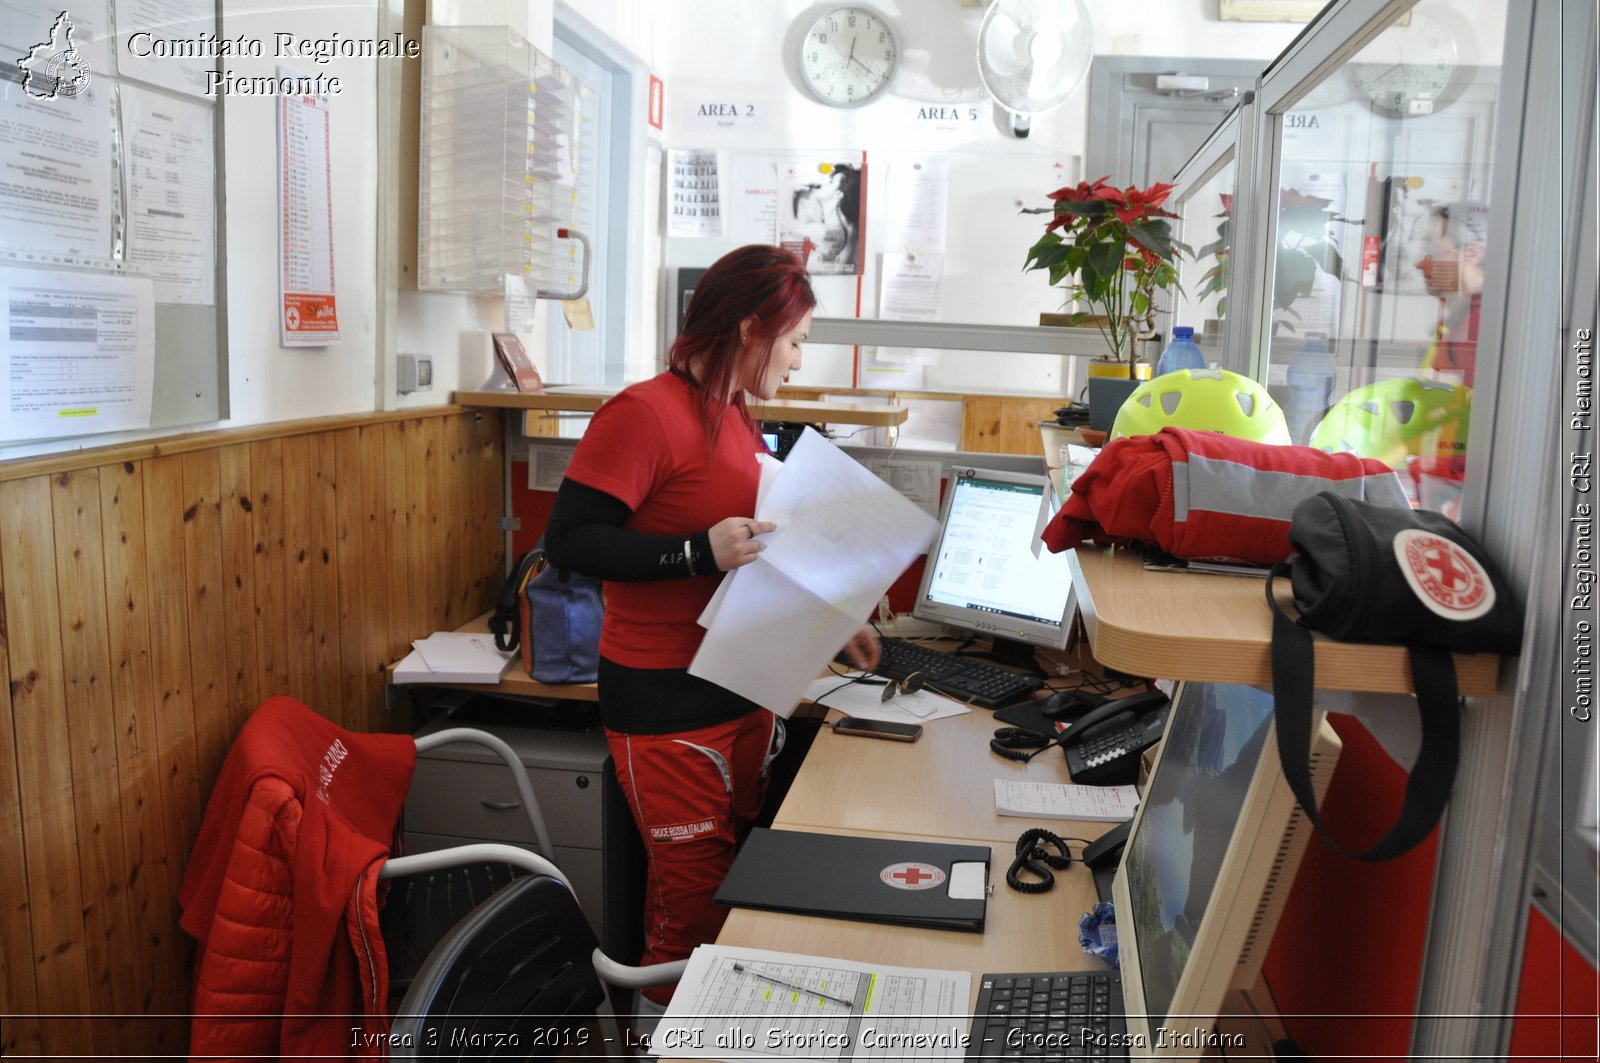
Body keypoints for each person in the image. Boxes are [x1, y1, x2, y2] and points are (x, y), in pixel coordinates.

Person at [542, 243, 881, 1020]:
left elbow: (761, 544)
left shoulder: (732, 415)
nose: (797, 361)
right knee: (690, 915)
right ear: (751, 327)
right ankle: (670, 1037)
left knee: (732, 899)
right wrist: (696, 550)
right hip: (665, 707)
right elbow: (571, 539)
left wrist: (834, 615)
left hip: (739, 688)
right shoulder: (644, 413)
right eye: (793, 340)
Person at [1413, 199, 1489, 388]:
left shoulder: (1481, 326)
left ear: (1471, 253)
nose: (1421, 263)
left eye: (1432, 249)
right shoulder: (1459, 320)